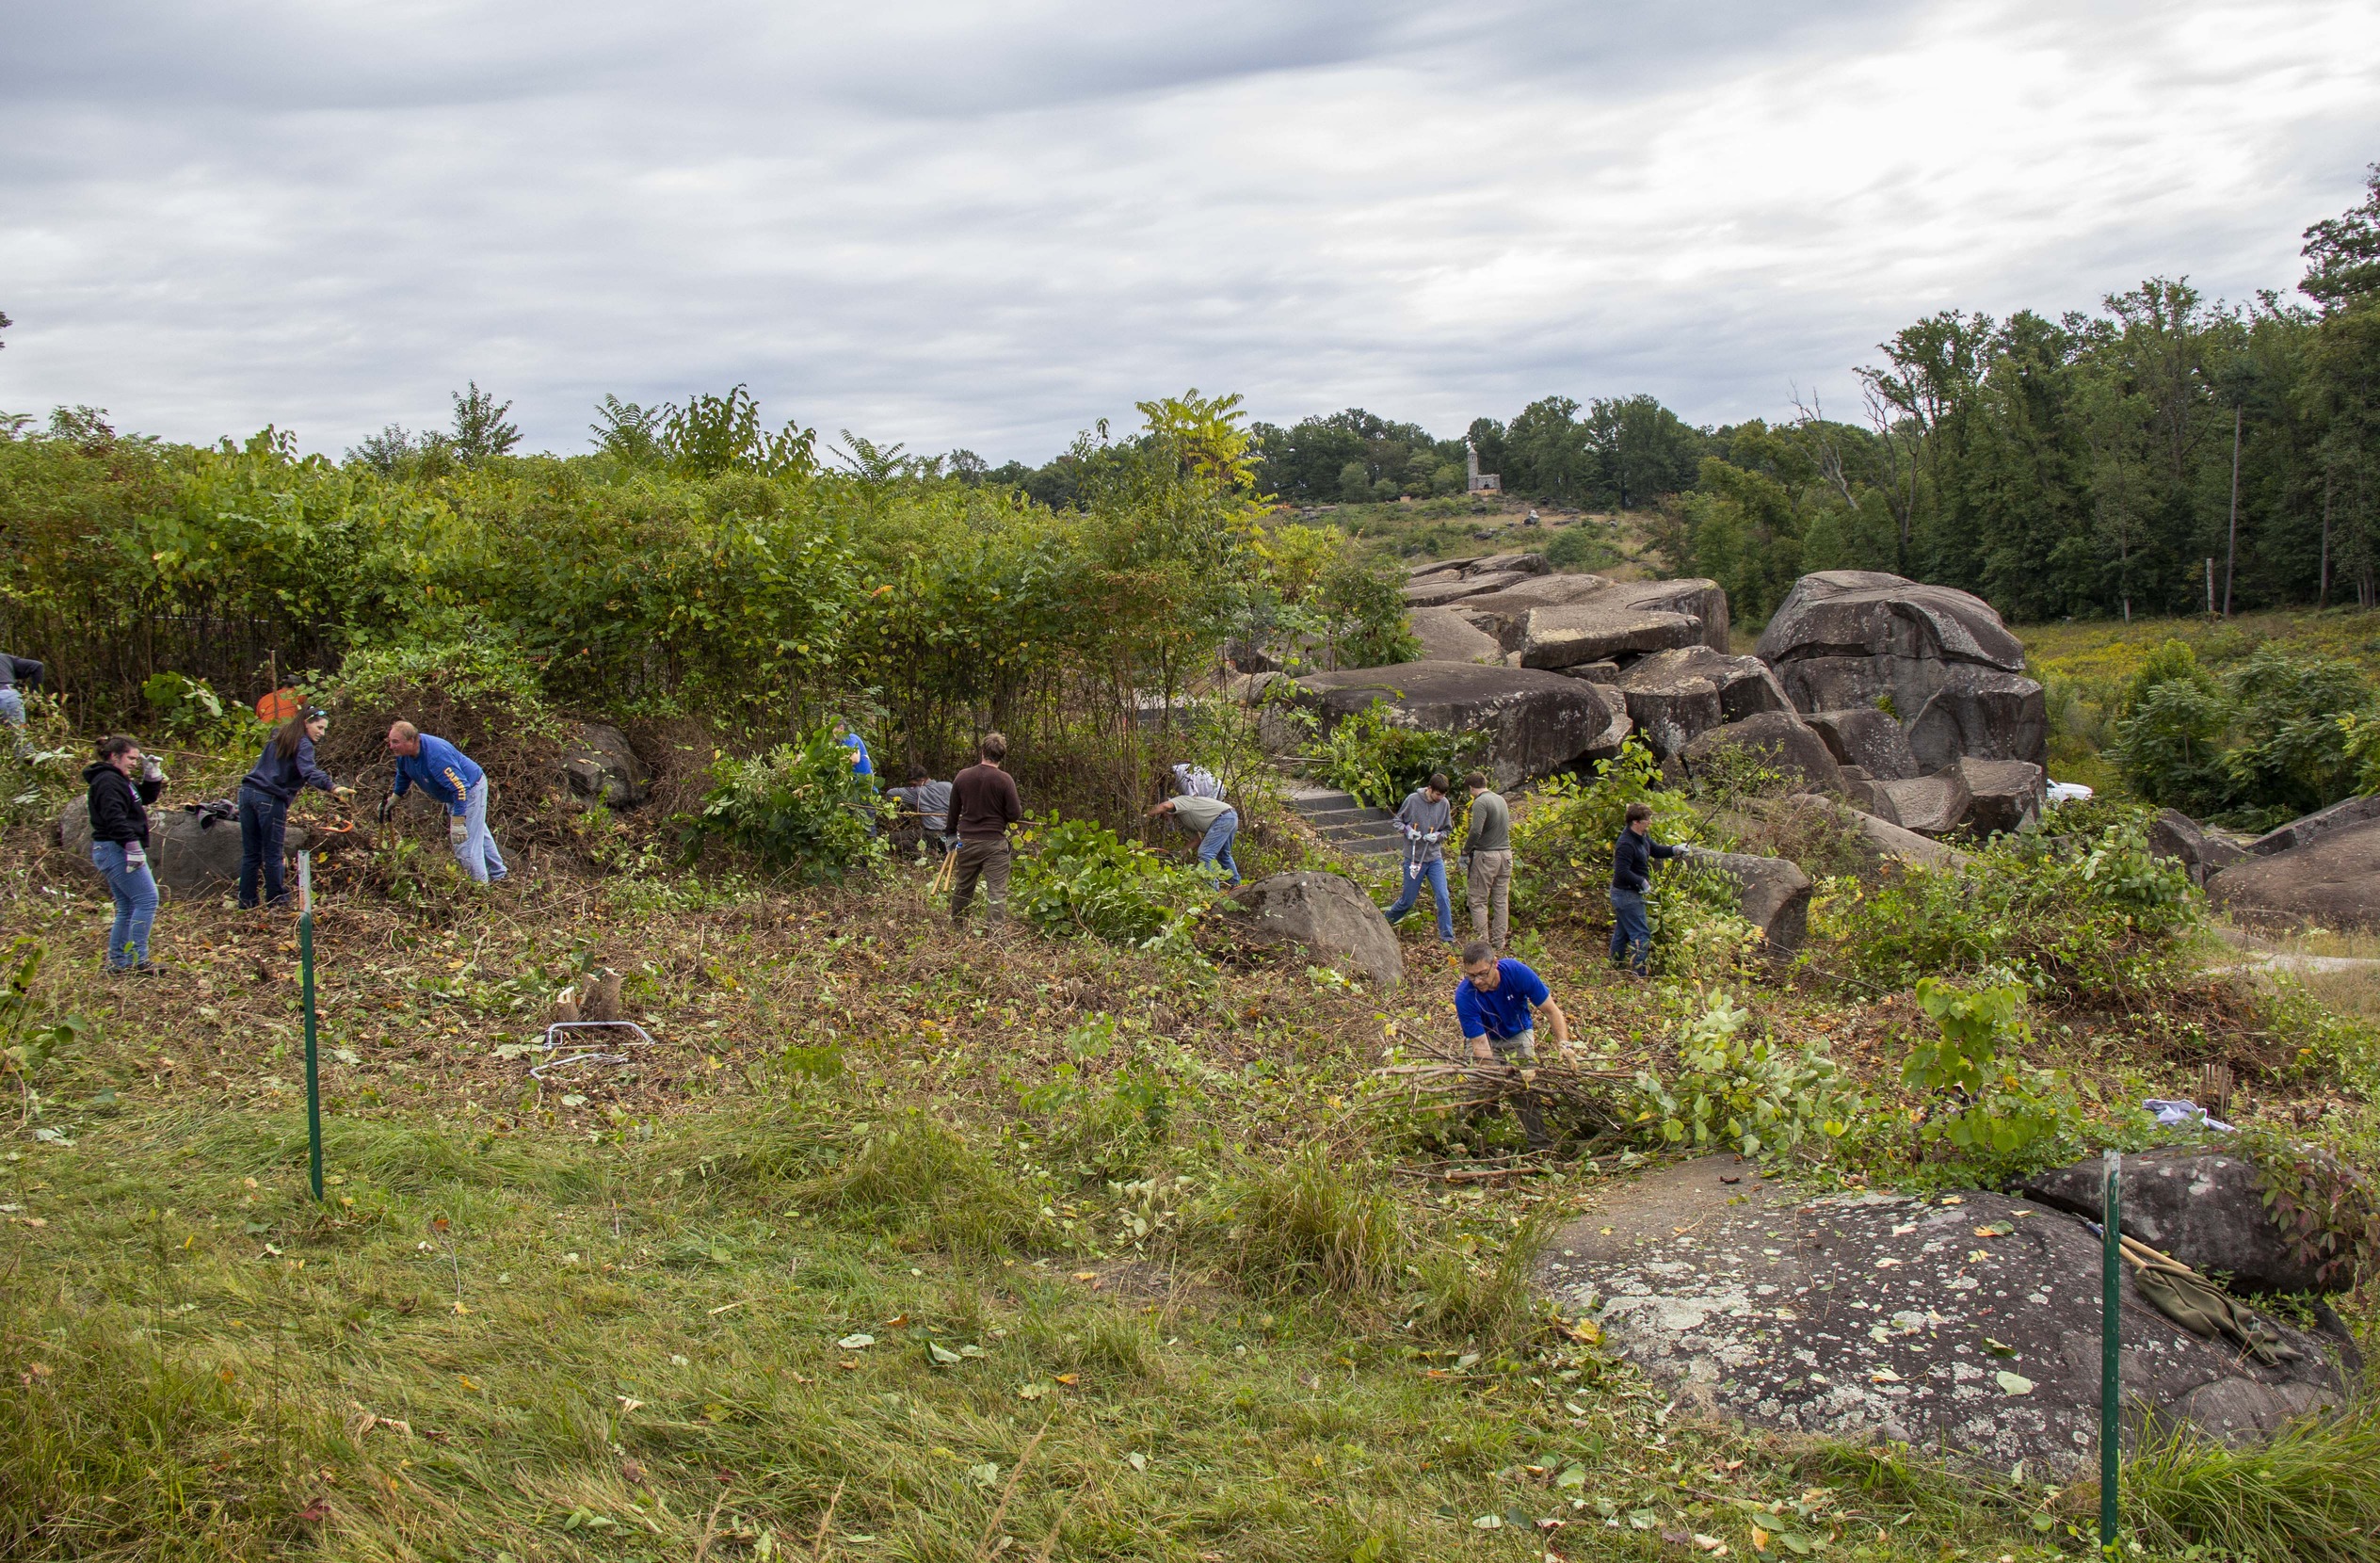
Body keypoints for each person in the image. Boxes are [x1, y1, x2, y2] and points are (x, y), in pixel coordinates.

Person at [1455, 940, 1570, 1149]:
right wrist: (1496, 1075)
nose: (1478, 981)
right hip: (1486, 1038)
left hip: (1517, 1033)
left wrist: (1564, 1045)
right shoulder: (1465, 995)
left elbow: (1552, 1011)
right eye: (1471, 976)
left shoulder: (1517, 972)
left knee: (1523, 1088)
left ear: (1494, 964)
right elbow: (1480, 1046)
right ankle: (1465, 1138)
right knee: (1476, 1086)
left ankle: (1539, 1145)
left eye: (1482, 973)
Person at [238, 705, 349, 910]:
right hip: (270, 799)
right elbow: (309, 771)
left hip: (246, 793)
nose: (322, 733)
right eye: (320, 727)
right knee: (272, 853)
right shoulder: (303, 743)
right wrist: (333, 787)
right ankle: (277, 902)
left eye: (325, 729)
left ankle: (247, 902)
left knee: (251, 853)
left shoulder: (279, 736)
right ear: (306, 722)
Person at [83, 733, 166, 974]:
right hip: (115, 848)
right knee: (147, 900)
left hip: (113, 848)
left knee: (128, 906)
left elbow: (142, 799)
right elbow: (114, 817)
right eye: (131, 758)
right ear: (114, 756)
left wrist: (152, 775)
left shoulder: (119, 779)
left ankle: (119, 962)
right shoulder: (108, 781)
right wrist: (132, 847)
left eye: (136, 759)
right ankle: (139, 960)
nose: (134, 762)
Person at [387, 721, 507, 883]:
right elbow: (403, 775)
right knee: (476, 832)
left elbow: (461, 788)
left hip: (469, 791)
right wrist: (395, 798)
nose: (391, 746)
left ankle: (480, 890)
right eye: (390, 741)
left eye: (396, 742)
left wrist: (458, 821)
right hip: (454, 794)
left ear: (412, 740)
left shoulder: (436, 756)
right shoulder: (404, 756)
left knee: (464, 844)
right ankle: (499, 875)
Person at [1610, 800, 1701, 974]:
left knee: (1622, 933)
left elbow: (1655, 850)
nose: (1650, 822)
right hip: (1625, 895)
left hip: (1630, 894)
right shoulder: (1626, 844)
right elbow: (1621, 871)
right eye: (1646, 820)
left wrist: (1675, 849)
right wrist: (1641, 882)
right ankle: (1638, 973)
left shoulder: (1642, 836)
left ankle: (1615, 967)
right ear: (1636, 822)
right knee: (1641, 934)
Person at [944, 732, 1022, 927]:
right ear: (1002, 756)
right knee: (996, 890)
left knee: (963, 886)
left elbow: (952, 813)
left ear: (982, 751)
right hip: (995, 844)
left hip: (966, 842)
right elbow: (1015, 814)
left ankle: (957, 927)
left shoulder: (963, 776)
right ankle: (994, 935)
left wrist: (951, 839)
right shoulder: (1005, 780)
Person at [1381, 771, 1455, 943]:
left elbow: (1447, 829)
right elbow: (1397, 821)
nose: (1440, 798)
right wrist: (1408, 831)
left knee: (1443, 896)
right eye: (1438, 794)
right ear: (1430, 789)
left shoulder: (1444, 803)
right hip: (1414, 859)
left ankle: (1447, 938)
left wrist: (1437, 836)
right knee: (1407, 901)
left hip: (1434, 857)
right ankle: (1385, 921)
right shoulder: (1413, 800)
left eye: (1443, 795)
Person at [1460, 770, 1513, 947]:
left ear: (1471, 787)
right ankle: (1499, 941)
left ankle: (1482, 944)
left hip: (1487, 855)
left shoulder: (1480, 802)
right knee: (1500, 899)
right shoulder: (1501, 800)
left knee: (1478, 899)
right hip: (1505, 854)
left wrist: (1465, 851)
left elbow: (1476, 830)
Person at [1150, 791, 1240, 885]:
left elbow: (1165, 806)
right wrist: (1179, 854)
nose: (1163, 818)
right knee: (1223, 854)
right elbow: (1196, 840)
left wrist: (1146, 816)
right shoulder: (1184, 819)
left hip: (1224, 817)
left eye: (1162, 814)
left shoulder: (1180, 800)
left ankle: (1212, 890)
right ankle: (1236, 885)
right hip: (1229, 817)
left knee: (1205, 853)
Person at [888, 766, 956, 859]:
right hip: (952, 834)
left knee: (891, 838)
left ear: (922, 780)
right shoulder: (948, 786)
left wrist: (901, 804)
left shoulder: (918, 792)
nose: (912, 787)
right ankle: (936, 852)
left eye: (914, 784)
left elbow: (890, 793)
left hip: (933, 834)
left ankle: (927, 855)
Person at [1, 653, 42, 757]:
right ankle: (30, 769)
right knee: (20, 741)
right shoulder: (4, 658)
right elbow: (37, 666)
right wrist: (34, 697)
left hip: (6, 696)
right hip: (8, 696)